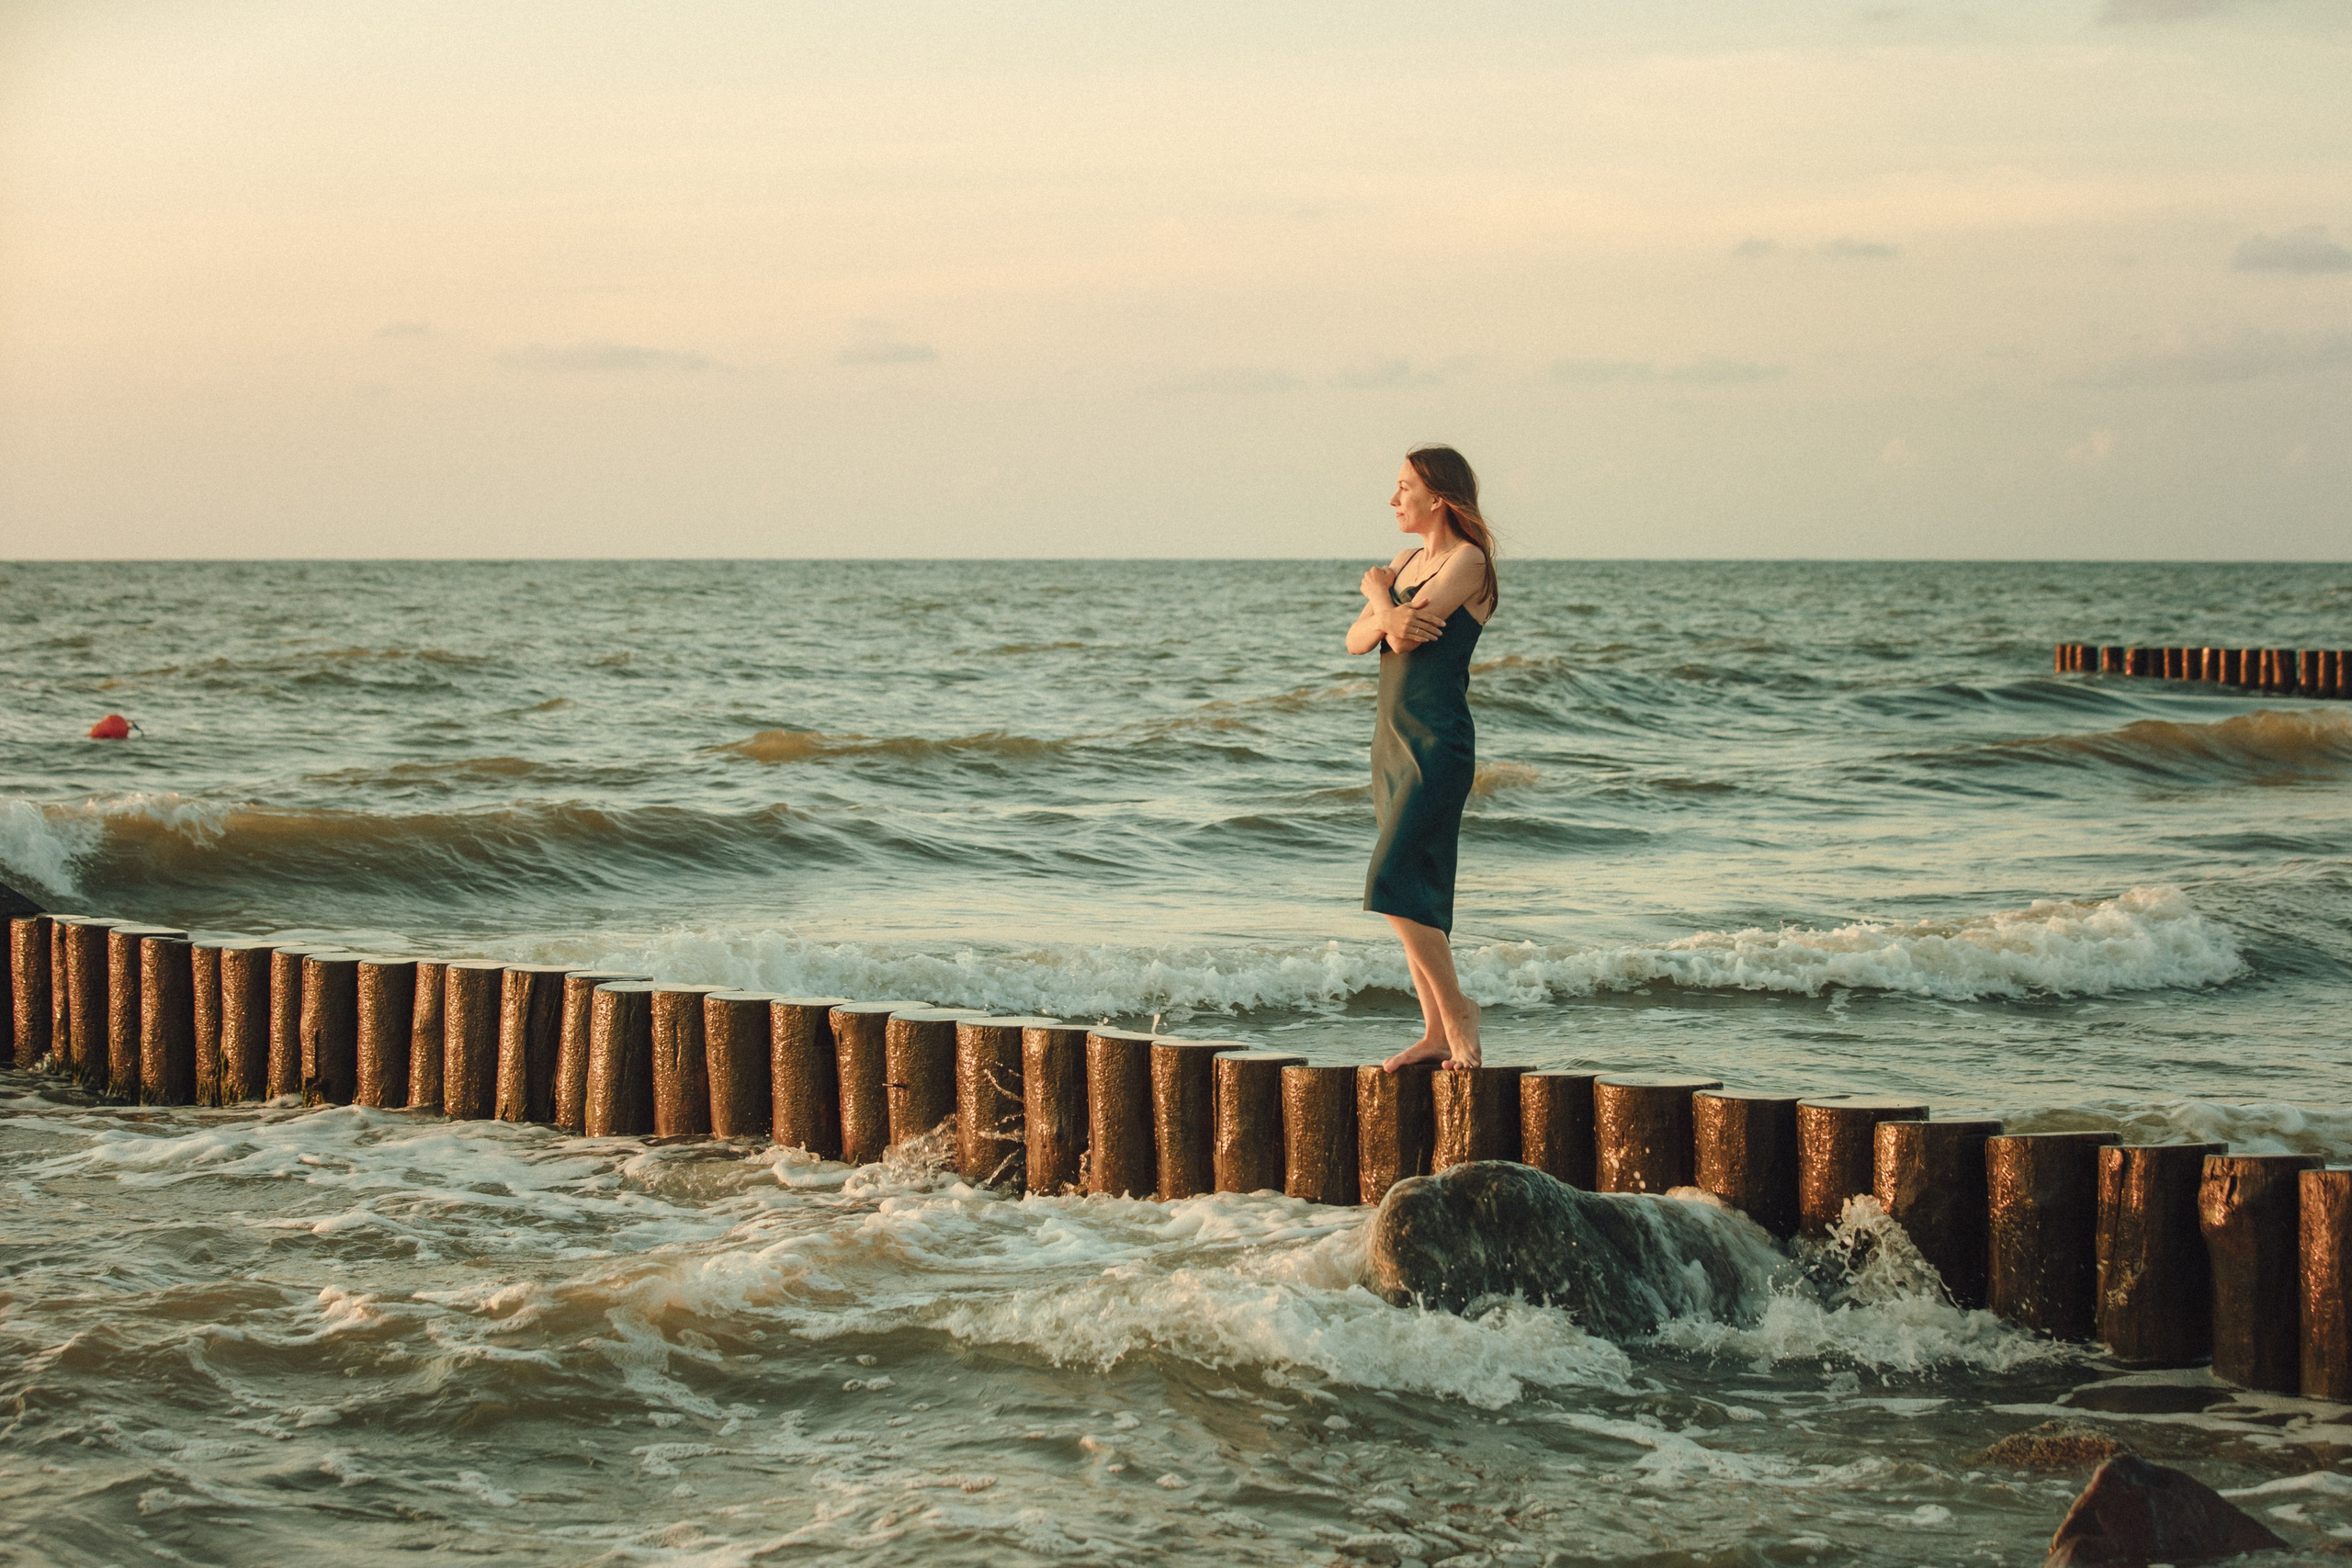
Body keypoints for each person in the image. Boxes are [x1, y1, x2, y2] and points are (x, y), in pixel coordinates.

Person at [1344, 446, 1499, 1071]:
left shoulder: (1469, 562)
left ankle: (1459, 1009)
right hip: (1390, 742)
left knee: (1393, 882)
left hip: (1437, 741)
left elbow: (1400, 633)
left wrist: (1377, 594)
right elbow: (1357, 641)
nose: (1394, 498)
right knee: (1416, 889)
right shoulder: (1409, 560)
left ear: (1438, 495)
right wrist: (1385, 605)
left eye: (1404, 486)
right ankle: (1435, 1030)